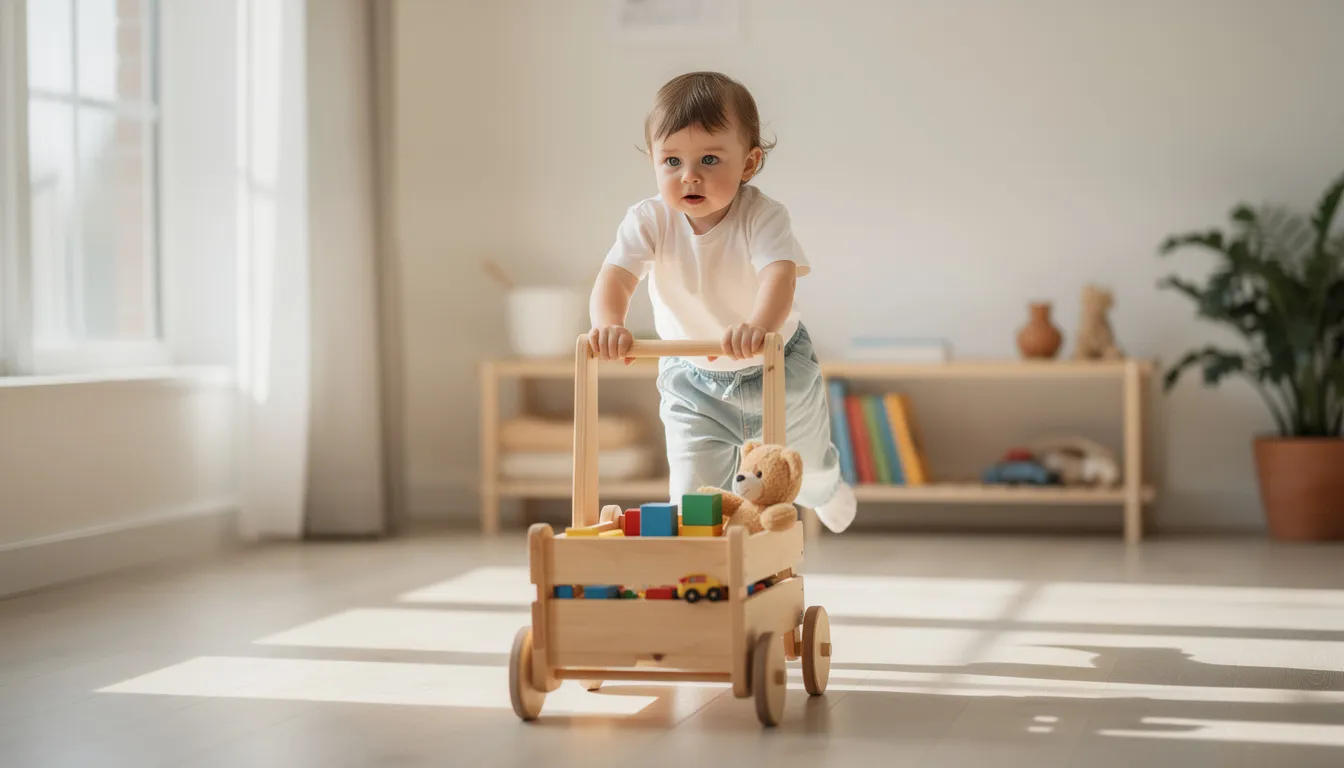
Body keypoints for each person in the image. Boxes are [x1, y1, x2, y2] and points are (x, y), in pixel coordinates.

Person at [587, 71, 856, 533]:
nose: (689, 175)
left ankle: (826, 490)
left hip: (777, 364)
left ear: (748, 164)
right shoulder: (649, 219)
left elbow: (780, 274)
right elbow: (615, 277)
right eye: (671, 160)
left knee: (801, 467)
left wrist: (758, 325)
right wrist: (609, 322)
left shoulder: (763, 215)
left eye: (709, 158)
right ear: (653, 160)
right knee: (694, 491)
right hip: (692, 379)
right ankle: (706, 561)